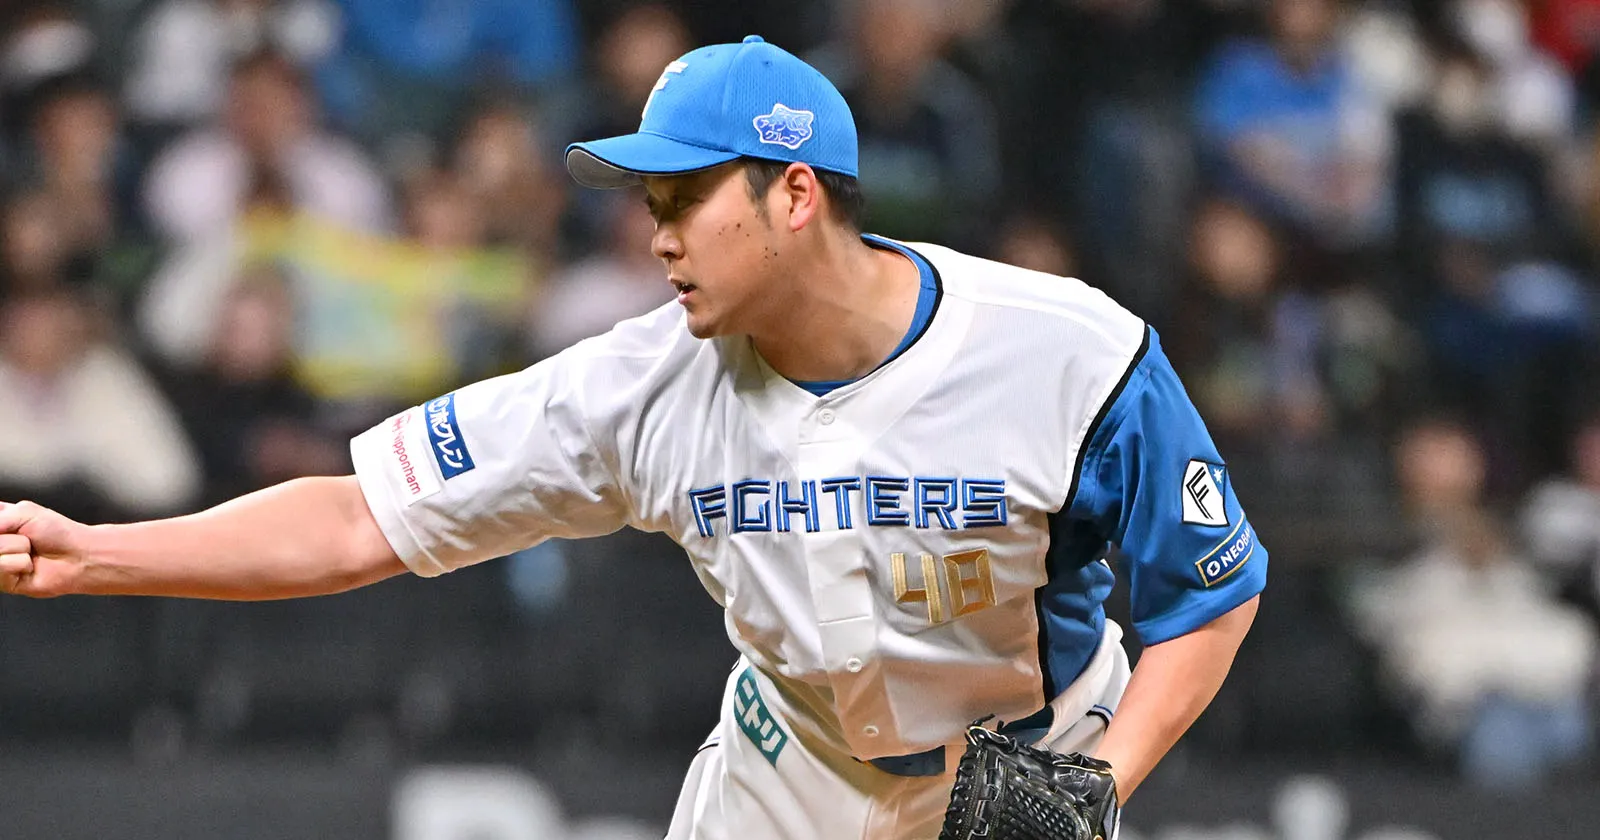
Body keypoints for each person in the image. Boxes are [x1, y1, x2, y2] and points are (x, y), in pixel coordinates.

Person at [0, 36, 1266, 839]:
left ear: (794, 193)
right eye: (648, 201)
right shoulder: (639, 381)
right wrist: (97, 552)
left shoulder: (1066, 349)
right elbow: (355, 517)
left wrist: (1104, 780)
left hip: (1033, 761)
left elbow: (1210, 590)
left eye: (684, 198)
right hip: (793, 769)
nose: (653, 234)